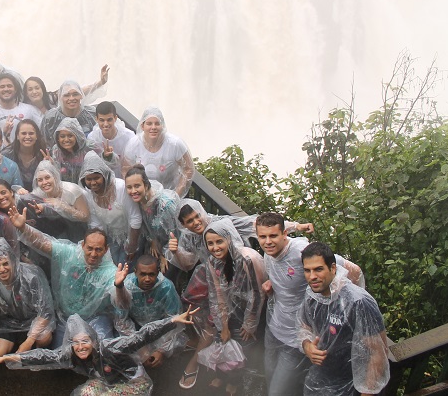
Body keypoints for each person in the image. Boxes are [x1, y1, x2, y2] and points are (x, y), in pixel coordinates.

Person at [255, 213, 364, 396]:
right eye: (262, 237)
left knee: (277, 392)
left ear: (284, 234)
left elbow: (354, 271)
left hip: (296, 339)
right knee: (268, 380)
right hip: (273, 330)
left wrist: (350, 307)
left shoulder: (301, 251)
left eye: (273, 236)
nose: (267, 242)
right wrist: (273, 283)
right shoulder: (269, 254)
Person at [0, 307, 200, 396]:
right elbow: (43, 356)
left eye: (85, 341)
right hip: (107, 380)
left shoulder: (112, 348)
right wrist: (9, 357)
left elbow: (143, 335)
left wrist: (173, 321)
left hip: (134, 382)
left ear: (94, 341)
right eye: (76, 343)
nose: (81, 347)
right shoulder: (70, 354)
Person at [7, 206, 118, 343]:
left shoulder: (110, 272)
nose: (93, 254)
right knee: (63, 356)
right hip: (66, 317)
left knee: (103, 353)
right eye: (89, 248)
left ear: (106, 250)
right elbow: (42, 243)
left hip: (95, 318)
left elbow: (121, 301)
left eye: (98, 249)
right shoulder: (69, 254)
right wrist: (24, 228)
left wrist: (119, 286)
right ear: (83, 245)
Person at [298, 243, 389, 396]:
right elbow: (304, 327)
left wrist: (367, 393)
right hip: (321, 379)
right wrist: (307, 346)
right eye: (307, 270)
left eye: (318, 269)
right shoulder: (312, 294)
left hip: (352, 385)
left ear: (333, 268)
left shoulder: (357, 302)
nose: (312, 276)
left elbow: (377, 352)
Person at [191, 219, 266, 395]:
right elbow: (217, 295)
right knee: (222, 341)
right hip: (229, 308)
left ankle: (234, 381)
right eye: (210, 243)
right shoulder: (213, 261)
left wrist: (250, 323)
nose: (215, 247)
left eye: (219, 241)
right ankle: (222, 375)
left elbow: (256, 294)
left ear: (229, 239)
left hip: (251, 310)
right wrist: (223, 325)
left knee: (242, 348)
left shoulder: (247, 259)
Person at [167, 199, 315, 273]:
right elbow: (188, 264)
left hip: (240, 269)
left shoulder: (221, 223)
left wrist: (296, 226)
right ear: (183, 224)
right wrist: (176, 252)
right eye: (190, 221)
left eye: (197, 216)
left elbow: (254, 223)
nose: (196, 222)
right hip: (215, 274)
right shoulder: (188, 236)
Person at [0, 238, 55, 357]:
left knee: (44, 338)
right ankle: (17, 346)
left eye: (5, 263)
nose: (2, 269)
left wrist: (28, 341)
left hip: (33, 320)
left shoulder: (31, 277)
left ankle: (36, 355)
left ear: (13, 261)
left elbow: (46, 311)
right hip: (9, 324)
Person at [113, 255, 185, 370]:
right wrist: (140, 347)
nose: (147, 279)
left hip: (160, 328)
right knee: (121, 347)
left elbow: (175, 319)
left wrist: (161, 350)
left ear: (158, 272)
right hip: (136, 327)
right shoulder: (126, 286)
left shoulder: (166, 287)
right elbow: (121, 320)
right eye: (143, 274)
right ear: (135, 272)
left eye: (151, 274)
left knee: (175, 345)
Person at [79, 151, 141, 265]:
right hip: (110, 237)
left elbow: (135, 218)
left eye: (96, 177)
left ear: (104, 175)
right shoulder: (88, 194)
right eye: (88, 179)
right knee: (110, 266)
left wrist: (132, 246)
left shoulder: (120, 187)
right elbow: (95, 222)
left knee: (126, 266)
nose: (93, 183)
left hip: (133, 236)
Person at [122, 107, 196, 197]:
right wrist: (133, 191)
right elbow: (126, 169)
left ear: (163, 126)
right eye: (149, 123)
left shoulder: (175, 144)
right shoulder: (133, 145)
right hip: (142, 197)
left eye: (157, 123)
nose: (153, 127)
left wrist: (175, 195)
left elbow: (188, 168)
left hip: (168, 197)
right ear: (142, 126)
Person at [124, 165, 180, 270]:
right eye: (129, 187)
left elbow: (176, 233)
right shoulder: (139, 201)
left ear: (145, 185)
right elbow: (146, 226)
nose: (133, 191)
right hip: (156, 242)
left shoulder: (165, 204)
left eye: (137, 186)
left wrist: (165, 255)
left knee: (164, 272)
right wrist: (153, 240)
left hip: (175, 246)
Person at [31, 159, 91, 242]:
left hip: (78, 225)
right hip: (59, 227)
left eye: (47, 177)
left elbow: (85, 217)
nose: (44, 182)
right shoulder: (39, 192)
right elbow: (27, 198)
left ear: (55, 177)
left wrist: (63, 206)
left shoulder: (71, 190)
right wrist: (21, 191)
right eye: (40, 180)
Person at [24, 66, 109, 123]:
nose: (34, 92)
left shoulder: (52, 98)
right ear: (26, 93)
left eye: (37, 88)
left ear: (43, 89)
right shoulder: (25, 108)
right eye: (30, 89)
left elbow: (77, 91)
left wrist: (101, 82)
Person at [41, 80, 98, 144]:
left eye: (75, 94)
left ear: (81, 95)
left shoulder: (91, 113)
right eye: (66, 95)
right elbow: (44, 142)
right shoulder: (50, 118)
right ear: (60, 97)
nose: (71, 98)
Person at [50, 117, 105, 183]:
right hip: (67, 189)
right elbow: (55, 175)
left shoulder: (89, 147)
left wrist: (108, 157)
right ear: (58, 138)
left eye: (70, 135)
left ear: (77, 136)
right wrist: (50, 165)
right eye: (62, 136)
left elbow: (105, 166)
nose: (66, 140)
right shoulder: (56, 151)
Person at [87, 101, 135, 177]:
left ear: (115, 118)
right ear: (96, 119)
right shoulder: (92, 138)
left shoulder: (129, 136)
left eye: (109, 120)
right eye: (102, 120)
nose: (105, 124)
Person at [0, 73, 42, 146]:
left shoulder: (30, 110)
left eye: (9, 86)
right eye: (2, 87)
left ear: (15, 90)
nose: (6, 89)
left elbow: (43, 133)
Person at [3, 119, 47, 192]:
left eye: (31, 133)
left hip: (40, 194)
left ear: (36, 136)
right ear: (17, 136)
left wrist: (50, 166)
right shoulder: (6, 155)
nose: (27, 136)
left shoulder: (44, 154)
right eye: (23, 133)